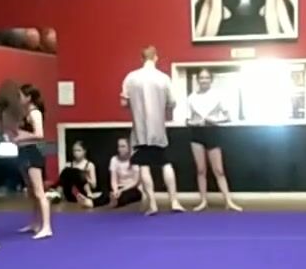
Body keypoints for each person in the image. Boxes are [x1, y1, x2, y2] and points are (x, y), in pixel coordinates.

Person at [121, 46, 184, 215]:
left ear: (141, 59)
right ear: (156, 58)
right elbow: (172, 103)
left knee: (144, 165)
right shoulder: (164, 78)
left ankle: (153, 204)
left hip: (140, 130)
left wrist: (136, 104)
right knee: (165, 163)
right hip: (158, 131)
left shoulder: (131, 77)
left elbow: (123, 102)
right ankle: (174, 201)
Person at [186, 68, 242, 212]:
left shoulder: (218, 95)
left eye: (206, 78)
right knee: (200, 170)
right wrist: (195, 123)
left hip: (213, 132)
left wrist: (214, 121)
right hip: (196, 133)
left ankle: (228, 201)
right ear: (197, 80)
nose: (204, 80)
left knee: (218, 170)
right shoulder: (191, 97)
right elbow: (187, 120)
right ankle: (203, 201)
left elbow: (228, 117)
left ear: (211, 80)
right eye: (201, 78)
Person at [12, 84, 53, 239]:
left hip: (32, 153)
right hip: (24, 152)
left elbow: (39, 134)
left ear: (28, 97)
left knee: (39, 192)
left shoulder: (35, 113)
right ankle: (35, 223)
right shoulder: (26, 113)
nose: (18, 99)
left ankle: (47, 227)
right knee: (31, 192)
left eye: (20, 96)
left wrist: (22, 136)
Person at [77, 138, 144, 209]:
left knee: (127, 196)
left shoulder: (135, 159)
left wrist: (121, 190)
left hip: (133, 188)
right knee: (106, 195)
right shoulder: (114, 159)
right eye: (119, 146)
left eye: (123, 146)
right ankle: (90, 202)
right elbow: (113, 180)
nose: (120, 149)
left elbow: (135, 182)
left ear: (129, 147)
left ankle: (116, 202)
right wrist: (115, 190)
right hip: (118, 187)